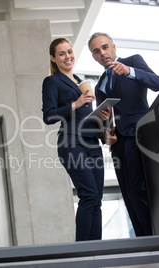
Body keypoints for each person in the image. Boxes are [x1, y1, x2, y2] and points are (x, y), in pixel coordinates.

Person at [88, 32, 159, 237]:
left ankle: (153, 238)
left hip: (137, 133)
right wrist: (106, 132)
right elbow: (106, 117)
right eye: (96, 51)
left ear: (113, 47)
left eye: (105, 47)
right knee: (129, 194)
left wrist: (130, 71)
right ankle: (143, 239)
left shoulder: (133, 61)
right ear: (93, 56)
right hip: (118, 143)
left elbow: (158, 83)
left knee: (139, 189)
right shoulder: (100, 84)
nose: (102, 53)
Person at [42, 38, 107, 241]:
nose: (67, 56)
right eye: (61, 54)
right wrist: (75, 103)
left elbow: (86, 120)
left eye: (69, 51)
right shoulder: (52, 81)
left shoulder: (81, 81)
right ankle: (82, 253)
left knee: (96, 199)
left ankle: (96, 251)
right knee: (88, 195)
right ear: (54, 58)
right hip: (71, 142)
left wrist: (102, 123)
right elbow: (49, 116)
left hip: (92, 144)